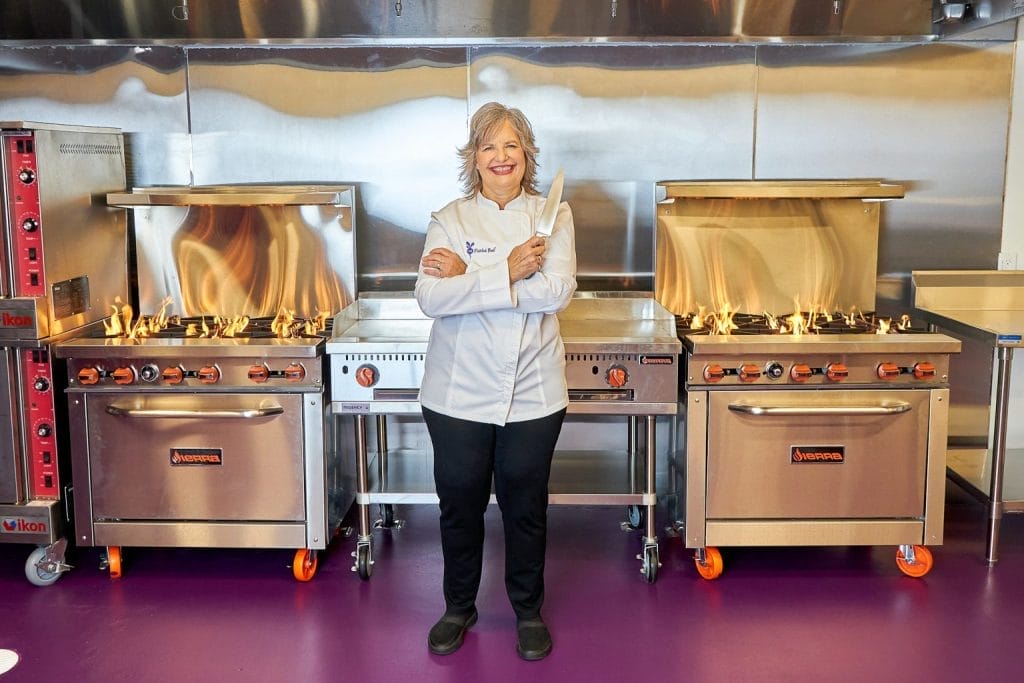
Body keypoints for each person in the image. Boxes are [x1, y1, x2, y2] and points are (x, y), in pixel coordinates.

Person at [414, 102, 577, 661]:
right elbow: (431, 299)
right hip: (457, 393)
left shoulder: (553, 215)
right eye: (489, 147)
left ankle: (527, 610)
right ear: (473, 159)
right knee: (459, 502)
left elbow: (556, 293)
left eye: (511, 146)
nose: (500, 157)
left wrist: (471, 278)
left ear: (526, 154)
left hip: (533, 391)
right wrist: (505, 271)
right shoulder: (450, 219)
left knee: (525, 505)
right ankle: (459, 606)